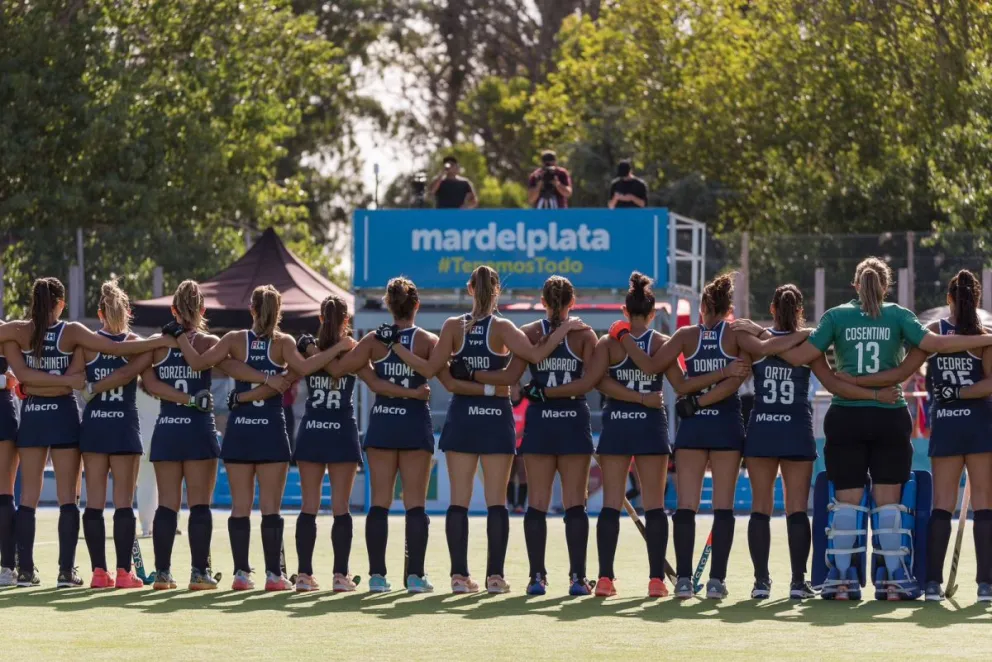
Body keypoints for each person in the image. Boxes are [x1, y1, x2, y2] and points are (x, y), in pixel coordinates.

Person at [759, 258, 992, 600]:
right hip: (889, 417)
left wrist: (779, 339)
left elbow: (799, 359)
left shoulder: (835, 317)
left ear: (855, 285)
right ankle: (894, 580)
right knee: (889, 506)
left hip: (845, 418)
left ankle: (841, 580)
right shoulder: (899, 315)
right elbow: (935, 345)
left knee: (847, 503)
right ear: (886, 286)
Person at [386, 266, 586, 594]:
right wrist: (562, 330)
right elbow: (529, 361)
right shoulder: (503, 328)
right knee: (496, 501)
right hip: (495, 418)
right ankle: (495, 577)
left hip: (462, 418)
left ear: (469, 289)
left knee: (459, 501)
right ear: (497, 292)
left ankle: (459, 577)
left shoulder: (453, 326)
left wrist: (397, 348)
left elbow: (436, 373)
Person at [617, 273, 804, 599]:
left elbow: (656, 369)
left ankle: (684, 581)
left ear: (702, 307)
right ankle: (717, 581)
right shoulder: (736, 334)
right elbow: (754, 360)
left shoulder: (685, 335)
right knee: (723, 507)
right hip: (726, 425)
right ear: (729, 309)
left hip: (693, 426)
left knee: (686, 506)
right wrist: (807, 334)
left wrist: (623, 336)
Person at [831, 269, 992, 601]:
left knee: (942, 504)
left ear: (948, 299)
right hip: (979, 426)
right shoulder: (985, 337)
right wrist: (965, 392)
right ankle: (985, 586)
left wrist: (858, 382)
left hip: (946, 425)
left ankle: (932, 584)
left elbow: (903, 371)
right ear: (977, 300)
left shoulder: (933, 332)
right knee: (985, 505)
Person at [732, 285, 900, 600]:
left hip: (762, 430)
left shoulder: (754, 343)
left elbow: (737, 374)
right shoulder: (809, 344)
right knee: (797, 510)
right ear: (800, 311)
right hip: (796, 430)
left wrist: (759, 334)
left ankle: (761, 582)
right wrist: (873, 394)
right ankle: (798, 582)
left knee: (760, 509)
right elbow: (834, 384)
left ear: (772, 309)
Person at [170, 285, 341, 591]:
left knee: (240, 508)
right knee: (271, 509)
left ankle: (240, 574)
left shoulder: (234, 339)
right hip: (271, 430)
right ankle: (274, 575)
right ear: (278, 312)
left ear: (251, 309)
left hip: (240, 430)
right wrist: (335, 350)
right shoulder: (284, 342)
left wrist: (181, 337)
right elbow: (306, 368)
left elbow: (198, 362)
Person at [3, 277, 172, 588]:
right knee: (70, 499)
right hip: (71, 418)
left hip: (38, 417)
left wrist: (30, 386)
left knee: (28, 498)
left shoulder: (18, 331)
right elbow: (110, 352)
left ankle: (26, 571)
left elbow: (25, 375)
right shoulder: (72, 332)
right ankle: (68, 572)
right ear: (61, 304)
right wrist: (158, 341)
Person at [596, 272, 750, 598]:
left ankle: (663, 580)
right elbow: (682, 381)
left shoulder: (668, 338)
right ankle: (691, 581)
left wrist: (623, 336)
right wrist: (723, 372)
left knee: (674, 506)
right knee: (699, 506)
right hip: (699, 425)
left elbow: (605, 380)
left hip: (659, 428)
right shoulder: (728, 335)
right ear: (653, 314)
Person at [139, 280, 284, 591]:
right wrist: (267, 378)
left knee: (167, 505)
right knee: (200, 505)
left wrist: (180, 398)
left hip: (168, 428)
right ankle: (198, 573)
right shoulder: (208, 342)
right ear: (203, 310)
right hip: (198, 430)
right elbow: (234, 368)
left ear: (173, 310)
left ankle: (162, 573)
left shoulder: (157, 343)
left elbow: (149, 383)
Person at [461, 276, 602, 595]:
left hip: (541, 421)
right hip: (572, 420)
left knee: (537, 502)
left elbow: (512, 377)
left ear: (543, 302)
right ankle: (577, 579)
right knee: (574, 503)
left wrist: (475, 374)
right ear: (572, 302)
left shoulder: (529, 332)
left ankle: (537, 577)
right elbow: (588, 383)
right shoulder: (585, 334)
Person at [290, 294, 428, 593]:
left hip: (312, 430)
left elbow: (306, 369)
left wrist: (314, 348)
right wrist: (413, 394)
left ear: (320, 318)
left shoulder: (308, 350)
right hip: (341, 431)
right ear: (347, 320)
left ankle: (303, 575)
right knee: (340, 507)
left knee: (309, 506)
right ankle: (340, 576)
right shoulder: (351, 348)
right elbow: (375, 383)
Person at [78, 280, 160, 589]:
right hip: (125, 427)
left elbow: (76, 379)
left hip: (95, 427)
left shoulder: (87, 344)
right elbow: (144, 381)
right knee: (124, 503)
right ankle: (124, 572)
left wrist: (92, 386)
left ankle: (99, 573)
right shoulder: (137, 343)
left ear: (100, 313)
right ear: (128, 312)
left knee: (94, 503)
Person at [0, 325, 20, 587]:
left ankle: (9, 565)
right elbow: (16, 377)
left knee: (5, 494)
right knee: (5, 493)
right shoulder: (9, 333)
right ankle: (8, 567)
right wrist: (4, 381)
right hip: (4, 409)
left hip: (4, 410)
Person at [508, 385, 528, 514]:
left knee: (522, 474)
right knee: (508, 475)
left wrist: (519, 434)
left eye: (515, 386)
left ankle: (520, 504)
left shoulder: (526, 403)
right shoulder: (506, 402)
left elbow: (529, 422)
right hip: (508, 443)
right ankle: (510, 503)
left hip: (522, 443)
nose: (512, 389)